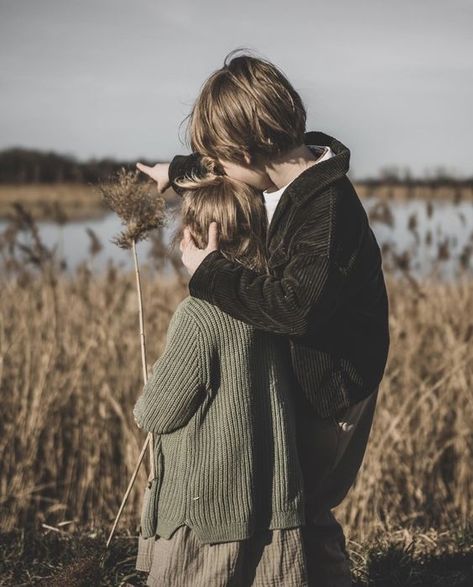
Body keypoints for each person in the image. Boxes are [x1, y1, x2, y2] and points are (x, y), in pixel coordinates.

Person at [137, 50, 390, 587]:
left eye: (218, 158)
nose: (214, 169)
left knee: (304, 508)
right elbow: (214, 167)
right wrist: (171, 173)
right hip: (303, 372)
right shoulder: (281, 169)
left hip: (333, 386)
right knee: (295, 506)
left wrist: (208, 272)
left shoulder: (329, 210)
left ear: (248, 146)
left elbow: (297, 308)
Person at [133, 160, 310, 586]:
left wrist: (152, 385)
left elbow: (156, 414)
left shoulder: (200, 315)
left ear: (191, 237)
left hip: (208, 506)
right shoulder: (270, 302)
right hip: (263, 498)